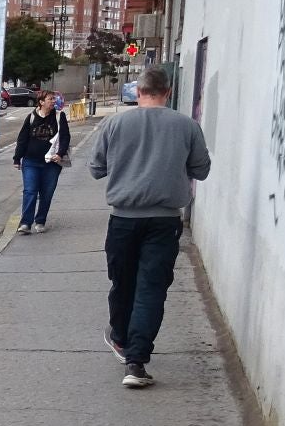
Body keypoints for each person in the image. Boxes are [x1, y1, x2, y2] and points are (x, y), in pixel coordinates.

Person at [86, 66, 212, 388]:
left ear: (138, 91)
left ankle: (120, 337)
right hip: (165, 219)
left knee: (122, 282)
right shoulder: (187, 126)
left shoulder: (115, 123)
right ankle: (136, 361)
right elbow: (202, 169)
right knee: (152, 288)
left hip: (123, 218)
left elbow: (96, 168)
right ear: (168, 92)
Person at [13, 94, 70, 233]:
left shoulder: (59, 116)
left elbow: (65, 136)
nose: (53, 101)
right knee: (30, 191)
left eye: (53, 99)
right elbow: (22, 138)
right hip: (31, 161)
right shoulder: (31, 117)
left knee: (47, 193)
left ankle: (40, 221)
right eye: (50, 99)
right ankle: (26, 223)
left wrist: (60, 154)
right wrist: (17, 158)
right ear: (41, 102)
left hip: (51, 163)